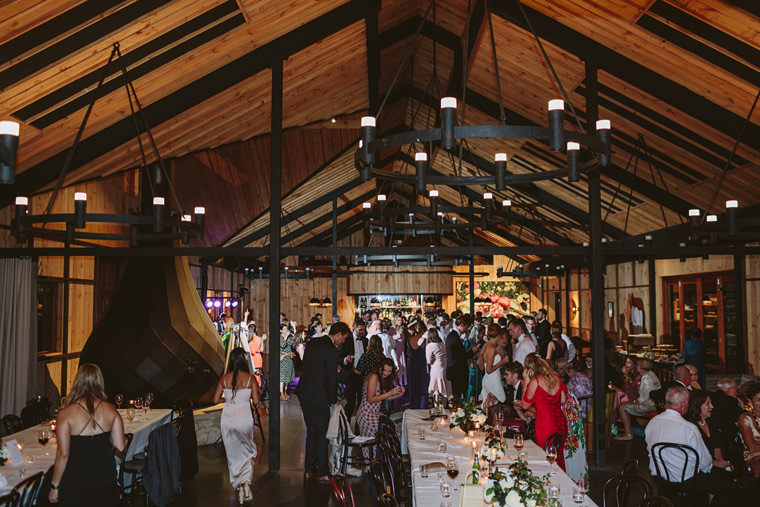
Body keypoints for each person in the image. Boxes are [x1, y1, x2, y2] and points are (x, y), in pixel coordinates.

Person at [48, 363, 125, 506]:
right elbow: (120, 446)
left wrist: (54, 486)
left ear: (77, 381)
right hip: (105, 477)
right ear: (100, 382)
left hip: (76, 479)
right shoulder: (111, 409)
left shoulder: (65, 414)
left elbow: (63, 454)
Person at [296, 321, 350, 482]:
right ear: (338, 334)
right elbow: (332, 378)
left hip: (305, 392)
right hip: (319, 395)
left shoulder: (313, 342)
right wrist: (334, 400)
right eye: (344, 338)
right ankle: (322, 472)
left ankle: (309, 469)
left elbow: (308, 365)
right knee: (322, 433)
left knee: (312, 431)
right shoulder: (331, 350)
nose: (344, 342)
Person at [213, 348, 259, 504]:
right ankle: (246, 483)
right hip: (244, 418)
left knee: (233, 454)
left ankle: (239, 485)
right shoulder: (250, 378)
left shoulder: (224, 378)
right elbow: (257, 400)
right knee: (249, 451)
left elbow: (215, 400)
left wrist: (227, 401)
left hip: (228, 419)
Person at [519, 353, 568, 471]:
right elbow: (563, 400)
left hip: (546, 424)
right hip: (560, 422)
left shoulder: (536, 381)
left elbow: (524, 405)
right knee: (558, 456)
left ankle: (548, 483)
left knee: (545, 457)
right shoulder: (555, 377)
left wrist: (525, 383)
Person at [356, 358, 405, 459]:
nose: (386, 373)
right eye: (385, 370)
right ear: (379, 368)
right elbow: (371, 399)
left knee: (393, 429)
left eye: (389, 371)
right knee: (390, 431)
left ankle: (383, 461)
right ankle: (380, 462)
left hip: (373, 414)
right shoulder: (373, 376)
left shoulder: (380, 378)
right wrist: (390, 392)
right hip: (366, 415)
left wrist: (398, 394)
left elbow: (383, 397)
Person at [683, 390, 732, 472]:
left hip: (712, 464)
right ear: (697, 406)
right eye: (707, 404)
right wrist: (713, 463)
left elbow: (716, 446)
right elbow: (691, 454)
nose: (712, 407)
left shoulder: (710, 422)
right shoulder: (689, 425)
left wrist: (721, 461)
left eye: (711, 403)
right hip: (698, 467)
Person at [616, 357, 661, 440]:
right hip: (654, 403)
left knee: (622, 407)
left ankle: (628, 434)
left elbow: (647, 396)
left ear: (641, 367)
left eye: (638, 366)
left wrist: (635, 401)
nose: (636, 367)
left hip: (650, 405)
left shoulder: (646, 378)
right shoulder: (651, 374)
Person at [445, 314, 477, 399]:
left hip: (455, 371)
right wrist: (472, 351)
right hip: (456, 372)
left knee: (456, 396)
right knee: (456, 397)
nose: (467, 330)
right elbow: (460, 356)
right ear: (462, 324)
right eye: (466, 327)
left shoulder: (453, 335)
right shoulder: (454, 337)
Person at [341, 319, 368, 419]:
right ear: (354, 328)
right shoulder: (346, 340)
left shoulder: (365, 341)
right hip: (350, 375)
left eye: (364, 330)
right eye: (360, 330)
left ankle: (359, 427)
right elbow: (339, 356)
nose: (362, 332)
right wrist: (345, 359)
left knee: (362, 402)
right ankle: (346, 428)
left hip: (362, 375)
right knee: (351, 403)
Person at [479, 324, 509, 406]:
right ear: (498, 335)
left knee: (487, 403)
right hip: (493, 378)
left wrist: (480, 355)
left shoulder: (486, 344)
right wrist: (502, 361)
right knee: (502, 399)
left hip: (486, 378)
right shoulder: (492, 348)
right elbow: (489, 370)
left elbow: (480, 365)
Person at [406, 319, 430, 409]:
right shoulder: (426, 340)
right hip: (422, 363)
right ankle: (422, 408)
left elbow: (408, 352)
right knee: (423, 387)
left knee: (413, 386)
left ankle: (413, 407)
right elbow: (428, 353)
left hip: (411, 363)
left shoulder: (409, 339)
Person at [738, 383, 760, 477]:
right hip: (754, 456)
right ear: (750, 401)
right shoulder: (745, 418)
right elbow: (751, 446)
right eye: (758, 400)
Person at [426, 327, 450, 399]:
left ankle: (437, 407)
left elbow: (429, 361)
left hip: (435, 369)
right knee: (443, 389)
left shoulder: (430, 346)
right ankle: (444, 407)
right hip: (443, 367)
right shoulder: (442, 343)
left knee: (436, 390)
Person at [465, 323, 486, 400]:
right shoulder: (468, 342)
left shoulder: (483, 343)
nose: (484, 335)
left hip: (481, 369)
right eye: (482, 333)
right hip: (471, 369)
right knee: (471, 388)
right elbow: (464, 356)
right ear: (477, 333)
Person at [279, 322, 295, 401]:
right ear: (281, 330)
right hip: (283, 359)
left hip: (289, 358)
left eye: (286, 329)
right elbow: (282, 345)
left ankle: (285, 392)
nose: (286, 330)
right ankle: (281, 393)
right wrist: (285, 336)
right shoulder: (280, 337)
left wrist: (294, 327)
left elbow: (295, 339)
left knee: (287, 377)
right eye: (284, 329)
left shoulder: (289, 337)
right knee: (282, 377)